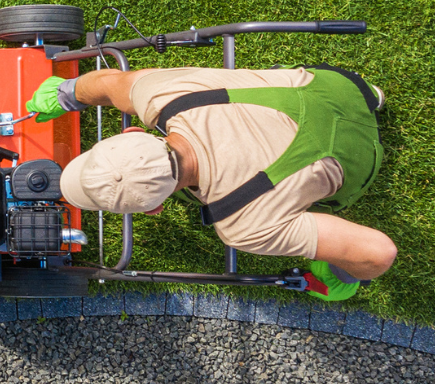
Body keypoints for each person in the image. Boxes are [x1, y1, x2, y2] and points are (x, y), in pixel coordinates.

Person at [25, 63, 395, 301]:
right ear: (135, 130)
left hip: (361, 160)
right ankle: (372, 97)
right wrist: (67, 93)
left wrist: (345, 273)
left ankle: (340, 277)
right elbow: (109, 83)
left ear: (154, 207)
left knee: (345, 264)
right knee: (338, 92)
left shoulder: (243, 224)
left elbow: (379, 252)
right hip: (340, 86)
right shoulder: (164, 95)